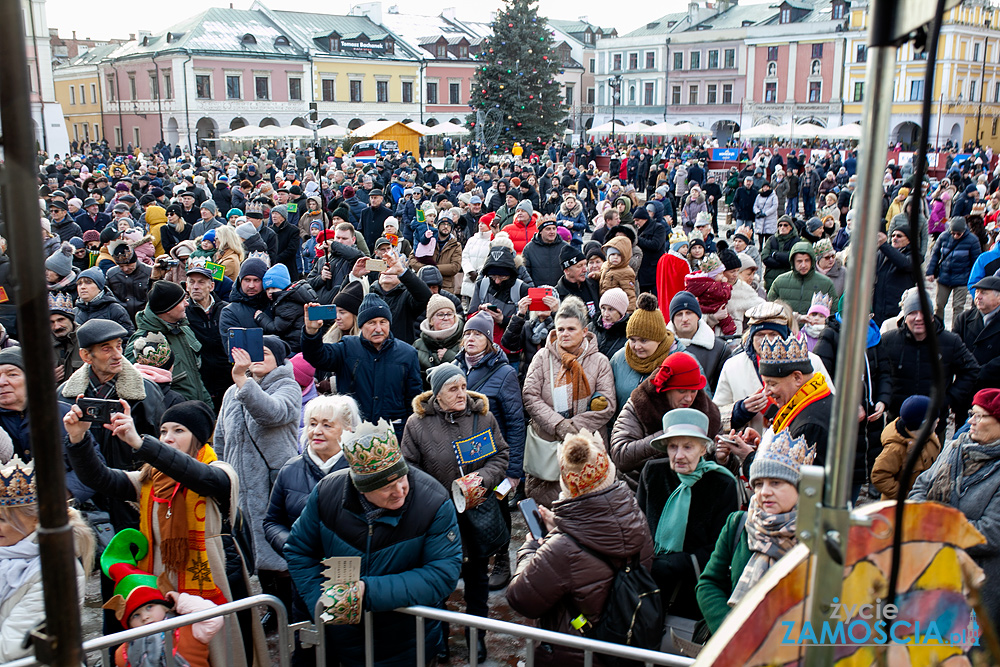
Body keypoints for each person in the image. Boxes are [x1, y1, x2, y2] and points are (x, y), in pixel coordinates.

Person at [64, 400, 268, 666]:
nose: (168, 438)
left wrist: (141, 444)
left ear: (199, 436)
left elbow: (194, 474)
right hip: (161, 577)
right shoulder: (149, 479)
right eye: (163, 431)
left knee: (221, 651)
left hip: (211, 575)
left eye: (179, 430)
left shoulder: (220, 472)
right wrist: (78, 438)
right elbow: (100, 478)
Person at [284, 419, 463, 667]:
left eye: (402, 478)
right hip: (340, 642)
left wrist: (365, 592)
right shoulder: (327, 493)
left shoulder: (432, 501)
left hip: (407, 645)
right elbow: (298, 550)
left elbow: (442, 574)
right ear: (361, 488)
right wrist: (324, 603)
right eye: (387, 487)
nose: (400, 490)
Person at [506, 430, 653, 667]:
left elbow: (520, 598)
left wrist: (534, 543)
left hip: (574, 652)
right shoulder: (635, 515)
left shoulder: (561, 550)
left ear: (566, 484)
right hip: (625, 640)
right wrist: (561, 528)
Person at [401, 364, 509, 662]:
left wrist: (482, 479)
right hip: (437, 516)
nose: (461, 393)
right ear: (437, 393)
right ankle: (441, 640)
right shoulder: (417, 424)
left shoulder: (482, 417)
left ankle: (477, 636)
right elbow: (408, 467)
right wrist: (435, 495)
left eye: (463, 386)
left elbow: (501, 455)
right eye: (453, 388)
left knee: (477, 580)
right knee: (439, 582)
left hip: (475, 514)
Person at [695, 430, 815, 634]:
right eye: (758, 484)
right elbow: (709, 583)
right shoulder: (739, 523)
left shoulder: (817, 536)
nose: (764, 492)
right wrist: (729, 630)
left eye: (776, 483)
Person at [215, 335, 300, 615]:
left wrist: (243, 381)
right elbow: (221, 438)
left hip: (275, 485)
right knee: (253, 548)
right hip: (241, 486)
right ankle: (271, 608)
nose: (257, 358)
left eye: (264, 353)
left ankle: (290, 610)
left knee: (279, 549)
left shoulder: (288, 386)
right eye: (255, 353)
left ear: (278, 359)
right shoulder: (231, 392)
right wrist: (222, 474)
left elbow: (271, 413)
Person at [636, 408, 739, 620]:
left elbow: (720, 549)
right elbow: (638, 527)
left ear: (703, 449)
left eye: (688, 446)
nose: (679, 455)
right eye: (673, 446)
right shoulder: (653, 472)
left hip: (694, 588)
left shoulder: (722, 483)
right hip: (649, 585)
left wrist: (672, 563)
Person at [910, 388, 1000, 626]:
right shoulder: (954, 447)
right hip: (931, 570)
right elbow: (921, 485)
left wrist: (936, 526)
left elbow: (992, 532)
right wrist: (920, 515)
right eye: (972, 413)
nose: (970, 420)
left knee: (965, 653)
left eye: (980, 416)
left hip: (974, 583)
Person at [522, 296, 616, 506]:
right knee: (548, 508)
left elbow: (607, 405)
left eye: (571, 329)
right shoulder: (542, 357)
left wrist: (572, 428)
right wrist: (558, 425)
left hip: (588, 447)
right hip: (549, 445)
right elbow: (530, 395)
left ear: (584, 331)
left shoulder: (599, 361)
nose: (565, 334)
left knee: (588, 505)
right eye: (561, 329)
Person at [0, 456, 94, 662]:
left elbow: (12, 646)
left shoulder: (57, 571)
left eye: (2, 519)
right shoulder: (6, 550)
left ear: (35, 521)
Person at [302, 292, 423, 439]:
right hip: (354, 435)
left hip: (393, 435)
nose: (378, 328)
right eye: (372, 323)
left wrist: (409, 433)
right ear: (361, 325)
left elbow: (414, 398)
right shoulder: (347, 347)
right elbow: (317, 356)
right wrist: (311, 332)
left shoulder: (407, 353)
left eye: (383, 322)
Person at [101, 529, 224, 667]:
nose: (145, 617)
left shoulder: (189, 629)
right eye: (135, 615)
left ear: (165, 606)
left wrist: (181, 600)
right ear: (128, 625)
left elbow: (214, 617)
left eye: (150, 607)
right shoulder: (123, 653)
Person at [714, 302, 834, 436]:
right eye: (760, 334)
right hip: (747, 448)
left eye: (773, 334)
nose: (766, 340)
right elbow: (715, 417)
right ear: (751, 337)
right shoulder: (733, 366)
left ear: (785, 336)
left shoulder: (811, 362)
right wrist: (739, 411)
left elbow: (828, 405)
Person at [878, 291, 980, 438]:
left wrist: (949, 399)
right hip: (897, 422)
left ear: (932, 317)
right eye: (913, 313)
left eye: (924, 312)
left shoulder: (950, 341)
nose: (919, 318)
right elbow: (879, 372)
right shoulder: (888, 341)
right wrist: (886, 399)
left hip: (935, 423)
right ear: (905, 317)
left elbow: (971, 370)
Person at [126, 281, 213, 404]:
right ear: (168, 309)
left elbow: (195, 376)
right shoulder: (143, 342)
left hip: (198, 409)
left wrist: (207, 407)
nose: (187, 304)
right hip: (170, 416)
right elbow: (132, 387)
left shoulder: (183, 329)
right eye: (181, 301)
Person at [871, 395, 941, 500]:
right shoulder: (895, 448)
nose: (938, 420)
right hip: (901, 507)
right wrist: (905, 496)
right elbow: (879, 476)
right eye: (934, 419)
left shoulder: (931, 436)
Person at [667, 291, 731, 394]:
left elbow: (723, 390)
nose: (685, 319)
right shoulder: (661, 347)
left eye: (689, 313)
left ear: (698, 316)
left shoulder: (719, 349)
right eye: (679, 314)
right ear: (672, 319)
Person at [928, 217, 981, 329]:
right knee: (939, 305)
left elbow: (975, 262)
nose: (956, 236)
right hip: (944, 276)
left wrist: (974, 279)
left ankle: (956, 331)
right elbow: (935, 255)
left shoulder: (972, 240)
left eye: (958, 234)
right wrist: (930, 271)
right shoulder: (943, 237)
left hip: (962, 278)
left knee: (958, 307)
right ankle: (938, 328)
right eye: (953, 233)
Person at [955, 276, 1000, 393]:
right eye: (977, 292)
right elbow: (954, 348)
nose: (978, 296)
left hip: (994, 388)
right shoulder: (964, 318)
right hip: (967, 384)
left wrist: (983, 371)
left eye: (984, 293)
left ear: (999, 297)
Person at [873, 225, 918, 325]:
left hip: (897, 309)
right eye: (893, 235)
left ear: (909, 240)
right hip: (879, 308)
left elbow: (903, 264)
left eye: (899, 236)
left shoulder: (914, 255)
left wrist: (884, 245)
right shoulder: (882, 253)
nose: (894, 238)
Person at [414, 295, 464, 383]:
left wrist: (450, 357)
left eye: (449, 314)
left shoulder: (464, 341)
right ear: (431, 321)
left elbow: (469, 373)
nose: (446, 318)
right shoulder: (418, 345)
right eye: (440, 315)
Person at [74, 266, 135, 336]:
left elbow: (128, 339)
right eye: (79, 283)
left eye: (88, 282)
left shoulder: (115, 310)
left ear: (99, 287)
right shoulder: (75, 312)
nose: (82, 287)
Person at [521, 216, 568, 289]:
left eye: (554, 228)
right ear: (540, 231)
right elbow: (525, 273)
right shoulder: (529, 249)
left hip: (561, 291)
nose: (552, 232)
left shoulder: (565, 247)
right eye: (548, 229)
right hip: (537, 291)